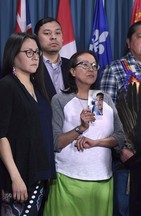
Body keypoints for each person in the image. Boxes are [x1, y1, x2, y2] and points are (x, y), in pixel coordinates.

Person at [43, 51, 125, 216]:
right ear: (72, 71)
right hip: (67, 179)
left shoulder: (101, 99)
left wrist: (96, 142)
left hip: (101, 179)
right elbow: (54, 142)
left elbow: (120, 137)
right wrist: (80, 128)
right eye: (85, 65)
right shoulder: (61, 99)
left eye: (94, 65)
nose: (91, 69)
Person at [100, 20, 141, 216]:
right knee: (126, 209)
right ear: (129, 42)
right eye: (140, 37)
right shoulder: (114, 69)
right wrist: (121, 150)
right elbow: (104, 116)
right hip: (127, 158)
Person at [0, 32, 55, 216]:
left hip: (39, 174)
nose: (34, 57)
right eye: (28, 52)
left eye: (36, 53)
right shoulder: (7, 86)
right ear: (13, 55)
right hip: (17, 176)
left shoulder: (39, 88)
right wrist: (15, 177)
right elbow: (2, 136)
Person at [34, 17, 69, 100]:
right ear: (36, 38)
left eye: (57, 33)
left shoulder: (72, 65)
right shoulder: (31, 66)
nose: (53, 37)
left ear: (62, 38)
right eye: (47, 33)